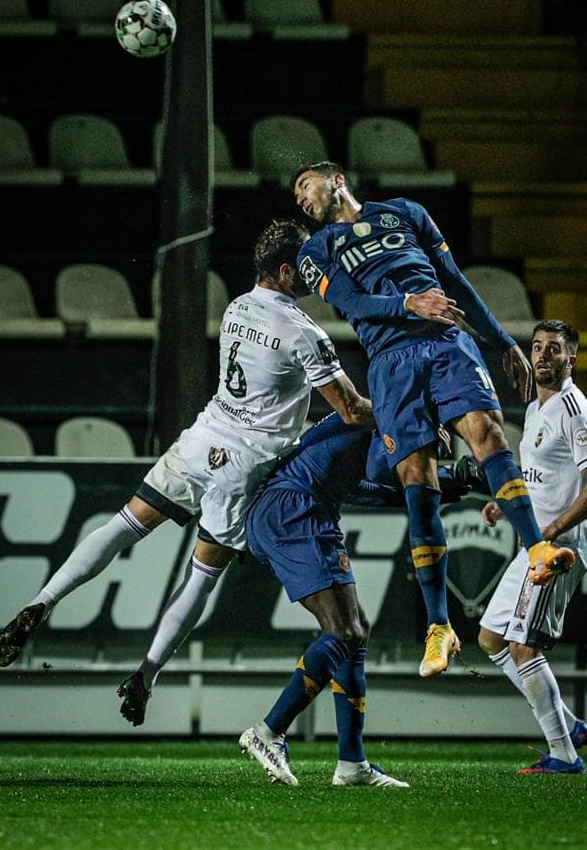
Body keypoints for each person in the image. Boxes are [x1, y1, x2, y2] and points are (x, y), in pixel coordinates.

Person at [0, 220, 377, 694]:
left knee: (120, 527)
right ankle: (146, 673)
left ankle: (44, 600)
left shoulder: (237, 308)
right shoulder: (303, 332)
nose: (318, 274)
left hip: (201, 440)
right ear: (285, 270)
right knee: (201, 576)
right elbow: (351, 410)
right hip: (243, 466)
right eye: (310, 266)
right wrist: (401, 413)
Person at [291, 162, 575, 680]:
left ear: (335, 180)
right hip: (392, 360)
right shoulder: (315, 251)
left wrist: (501, 340)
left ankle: (537, 547)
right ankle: (439, 626)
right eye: (297, 197)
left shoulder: (406, 213)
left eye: (305, 188)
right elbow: (352, 301)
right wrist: (408, 302)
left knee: (487, 432)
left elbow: (454, 281)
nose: (302, 201)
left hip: (447, 342)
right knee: (415, 480)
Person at [238, 411, 486, 786]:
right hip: (294, 510)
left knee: (355, 632)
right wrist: (431, 467)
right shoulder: (389, 410)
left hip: (307, 510)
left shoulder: (379, 415)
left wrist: (443, 483)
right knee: (344, 633)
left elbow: (364, 486)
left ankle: (351, 764)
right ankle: (269, 730)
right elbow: (384, 469)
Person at [478, 320, 587, 774]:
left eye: (553, 349)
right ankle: (570, 725)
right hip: (533, 543)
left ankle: (564, 754)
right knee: (490, 639)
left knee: (524, 648)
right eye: (537, 347)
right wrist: (508, 502)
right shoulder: (537, 409)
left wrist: (553, 530)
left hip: (558, 550)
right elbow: (541, 477)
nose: (542, 355)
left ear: (571, 359)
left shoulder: (574, 410)